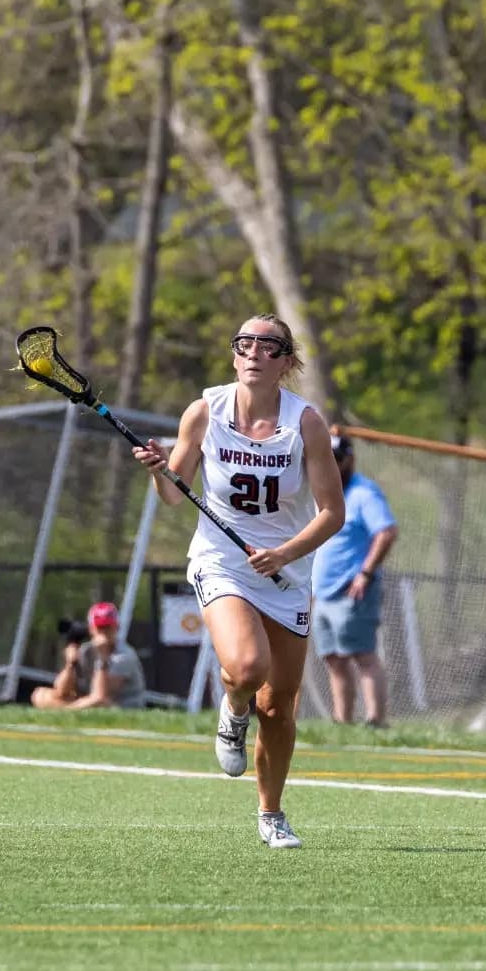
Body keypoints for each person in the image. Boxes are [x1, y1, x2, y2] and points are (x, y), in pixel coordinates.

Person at [131, 314, 344, 848]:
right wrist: (161, 470)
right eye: (244, 343)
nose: (253, 352)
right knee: (248, 667)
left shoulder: (307, 424)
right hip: (221, 561)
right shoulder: (206, 411)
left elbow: (332, 513)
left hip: (286, 570)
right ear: (234, 355)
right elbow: (176, 494)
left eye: (267, 346)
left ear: (285, 362)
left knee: (279, 704)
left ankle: (271, 814)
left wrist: (285, 554)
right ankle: (232, 706)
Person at [313, 434, 399, 728]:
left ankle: (376, 720)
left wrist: (365, 573)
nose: (331, 466)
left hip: (352, 588)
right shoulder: (322, 492)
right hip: (322, 592)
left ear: (349, 460)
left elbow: (386, 532)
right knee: (333, 658)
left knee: (362, 655)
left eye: (336, 460)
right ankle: (343, 721)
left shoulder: (364, 493)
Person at [28, 601, 148, 711]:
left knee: (98, 703)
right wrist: (71, 663)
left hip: (119, 706)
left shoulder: (124, 656)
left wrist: (102, 658)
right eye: (100, 628)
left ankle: (64, 712)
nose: (104, 632)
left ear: (116, 627)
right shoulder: (86, 650)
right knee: (40, 694)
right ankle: (68, 711)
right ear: (91, 629)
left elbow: (101, 695)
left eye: (108, 627)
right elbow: (61, 691)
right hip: (89, 701)